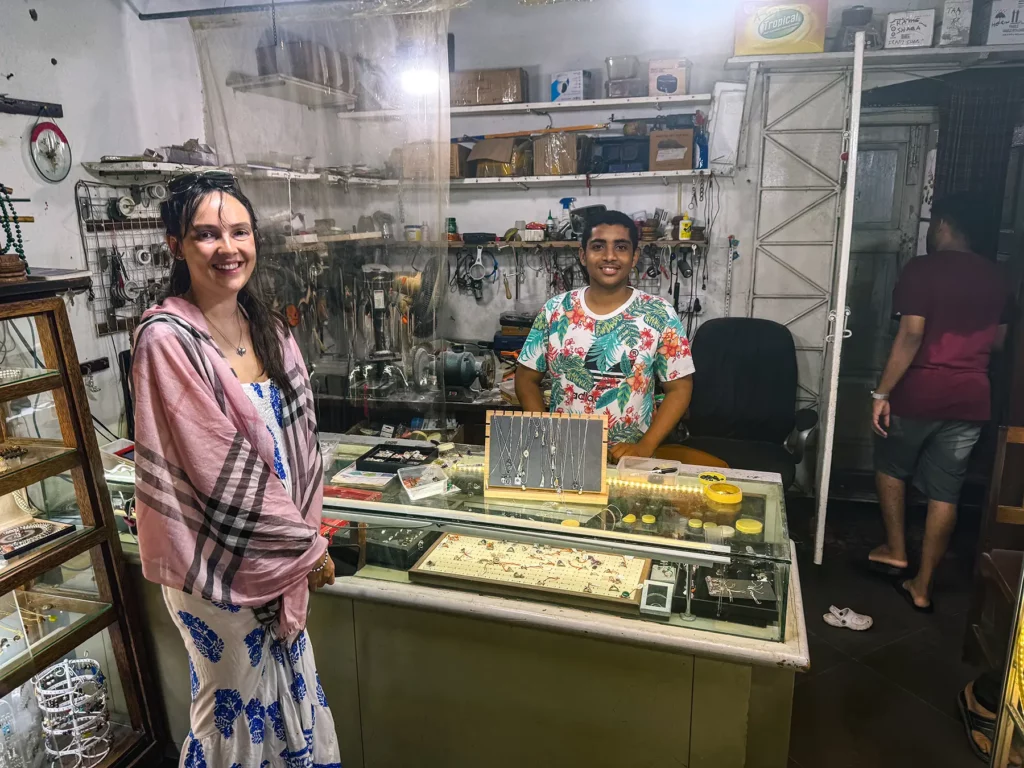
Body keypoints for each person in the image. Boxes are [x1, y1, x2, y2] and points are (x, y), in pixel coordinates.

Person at [132, 172, 342, 767]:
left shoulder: (270, 330)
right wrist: (308, 549)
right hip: (215, 562)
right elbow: (213, 461)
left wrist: (300, 542)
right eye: (206, 234)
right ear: (176, 245)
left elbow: (302, 449)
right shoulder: (166, 339)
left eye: (239, 231)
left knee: (287, 686)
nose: (228, 248)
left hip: (283, 549)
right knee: (233, 703)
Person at [868, 192, 1009, 613]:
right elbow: (999, 341)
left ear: (943, 224)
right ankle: (923, 585)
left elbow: (911, 334)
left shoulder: (922, 269)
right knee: (947, 492)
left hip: (919, 392)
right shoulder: (998, 277)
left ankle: (896, 550)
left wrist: (882, 393)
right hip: (971, 398)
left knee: (891, 467)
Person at [515, 210, 694, 460]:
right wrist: (545, 431)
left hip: (630, 460)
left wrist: (645, 447)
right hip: (564, 455)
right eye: (598, 246)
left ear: (634, 257)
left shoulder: (659, 313)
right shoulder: (555, 310)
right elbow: (525, 379)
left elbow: (679, 388)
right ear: (583, 255)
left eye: (621, 247)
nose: (609, 256)